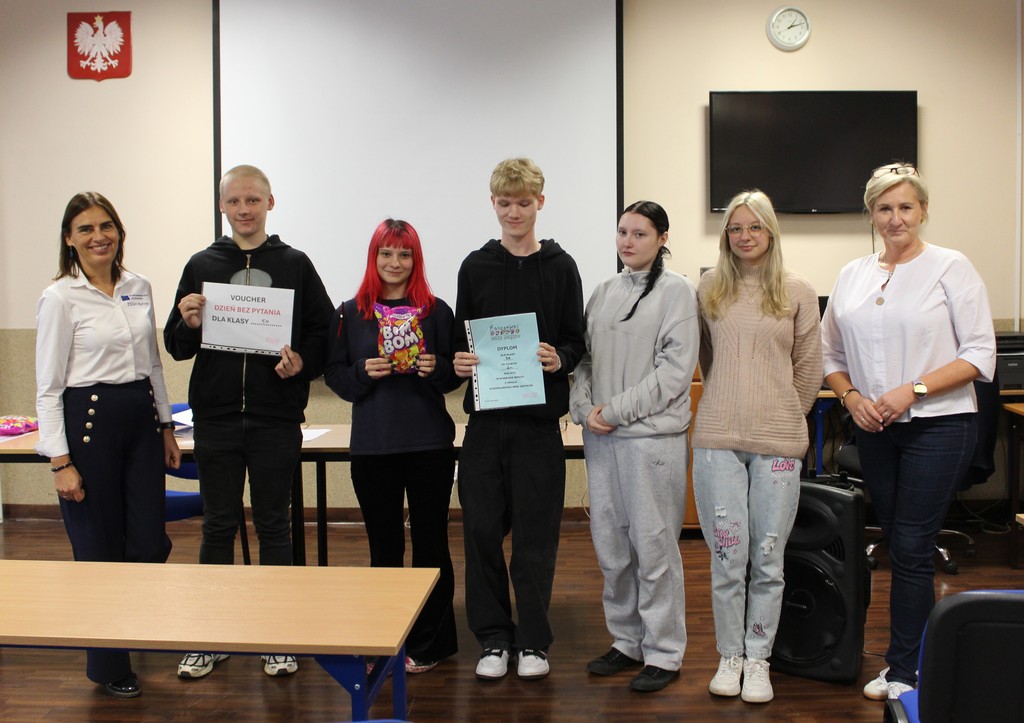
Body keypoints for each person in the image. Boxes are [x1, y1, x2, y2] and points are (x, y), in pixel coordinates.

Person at [821, 163, 996, 701]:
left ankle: (905, 670)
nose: (895, 218)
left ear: (922, 210)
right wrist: (852, 398)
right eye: (884, 208)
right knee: (898, 543)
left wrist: (912, 391)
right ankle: (909, 657)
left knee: (914, 546)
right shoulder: (853, 274)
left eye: (905, 207)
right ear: (871, 214)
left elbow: (979, 354)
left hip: (939, 426)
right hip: (876, 429)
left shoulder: (950, 266)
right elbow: (830, 355)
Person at [164, 165, 334, 680]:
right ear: (222, 206)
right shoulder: (201, 264)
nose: (244, 209)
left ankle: (276, 636)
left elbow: (324, 334)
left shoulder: (295, 264)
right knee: (217, 525)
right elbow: (176, 345)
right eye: (234, 201)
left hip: (274, 418)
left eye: (253, 200)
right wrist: (187, 320)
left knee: (275, 525)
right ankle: (211, 636)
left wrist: (302, 362)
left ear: (270, 203)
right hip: (215, 418)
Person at [35, 191, 181, 699]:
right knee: (98, 548)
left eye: (106, 226)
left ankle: (130, 622)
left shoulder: (138, 286)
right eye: (85, 229)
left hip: (140, 421)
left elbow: (153, 364)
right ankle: (110, 664)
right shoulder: (60, 297)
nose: (98, 236)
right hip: (89, 423)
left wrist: (166, 426)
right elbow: (48, 388)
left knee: (148, 542)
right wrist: (60, 462)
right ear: (69, 239)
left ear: (118, 231)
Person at [453, 158, 586, 681]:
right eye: (505, 203)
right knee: (481, 534)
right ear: (493, 204)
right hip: (485, 427)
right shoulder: (474, 266)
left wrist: (560, 358)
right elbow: (463, 338)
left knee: (535, 539)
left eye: (524, 203)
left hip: (537, 428)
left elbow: (575, 339)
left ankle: (532, 640)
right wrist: (461, 361)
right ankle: (493, 639)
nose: (514, 212)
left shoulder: (561, 266)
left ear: (540, 203)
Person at [692, 190, 822, 704]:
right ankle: (730, 655)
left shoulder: (798, 290)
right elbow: (707, 358)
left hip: (778, 444)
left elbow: (808, 368)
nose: (744, 236)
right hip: (717, 441)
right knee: (728, 558)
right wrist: (730, 403)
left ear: (771, 231)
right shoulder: (709, 287)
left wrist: (782, 413)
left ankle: (758, 659)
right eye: (735, 228)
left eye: (754, 227)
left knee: (768, 559)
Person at [569, 201, 699, 693]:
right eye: (622, 232)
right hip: (602, 439)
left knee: (654, 547)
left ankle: (664, 651)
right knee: (612, 547)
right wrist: (584, 408)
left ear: (662, 238)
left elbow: (674, 373)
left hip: (650, 442)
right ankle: (627, 641)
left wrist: (614, 411)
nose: (628, 241)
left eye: (640, 233)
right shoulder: (604, 291)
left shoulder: (678, 292)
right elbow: (584, 360)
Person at [324, 219, 460, 673]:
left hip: (429, 444)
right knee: (383, 549)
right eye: (387, 253)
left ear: (415, 259)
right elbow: (335, 376)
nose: (395, 262)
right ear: (374, 257)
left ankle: (429, 644)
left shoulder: (436, 311)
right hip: (373, 447)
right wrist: (361, 373)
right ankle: (383, 641)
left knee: (431, 546)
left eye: (404, 254)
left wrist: (437, 368)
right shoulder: (349, 313)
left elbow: (455, 375)